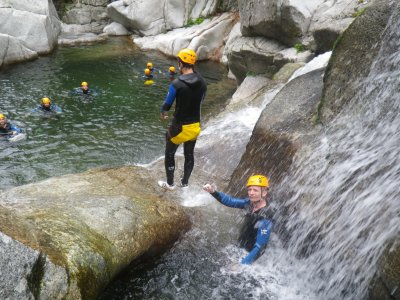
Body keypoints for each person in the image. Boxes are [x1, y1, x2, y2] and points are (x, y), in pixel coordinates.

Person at [157, 48, 207, 190]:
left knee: (169, 153)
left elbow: (167, 104)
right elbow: (201, 100)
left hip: (179, 127)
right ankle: (185, 183)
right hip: (195, 126)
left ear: (180, 63)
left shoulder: (176, 84)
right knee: (189, 154)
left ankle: (170, 184)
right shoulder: (202, 82)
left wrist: (163, 112)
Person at [203, 175, 275, 265]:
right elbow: (231, 201)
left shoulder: (266, 216)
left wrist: (241, 265)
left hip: (251, 254)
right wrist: (212, 191)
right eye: (249, 189)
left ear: (264, 193)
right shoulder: (249, 203)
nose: (251, 193)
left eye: (255, 190)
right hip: (242, 245)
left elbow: (260, 247)